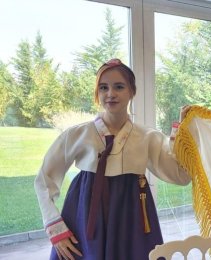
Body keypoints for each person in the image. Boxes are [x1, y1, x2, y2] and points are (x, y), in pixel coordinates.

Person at [34, 58, 191, 260]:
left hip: (131, 215)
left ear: (132, 92)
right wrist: (56, 229)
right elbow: (44, 180)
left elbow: (180, 176)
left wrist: (183, 134)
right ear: (97, 93)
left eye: (119, 87)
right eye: (103, 87)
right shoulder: (77, 134)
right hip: (85, 213)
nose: (110, 94)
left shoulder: (147, 137)